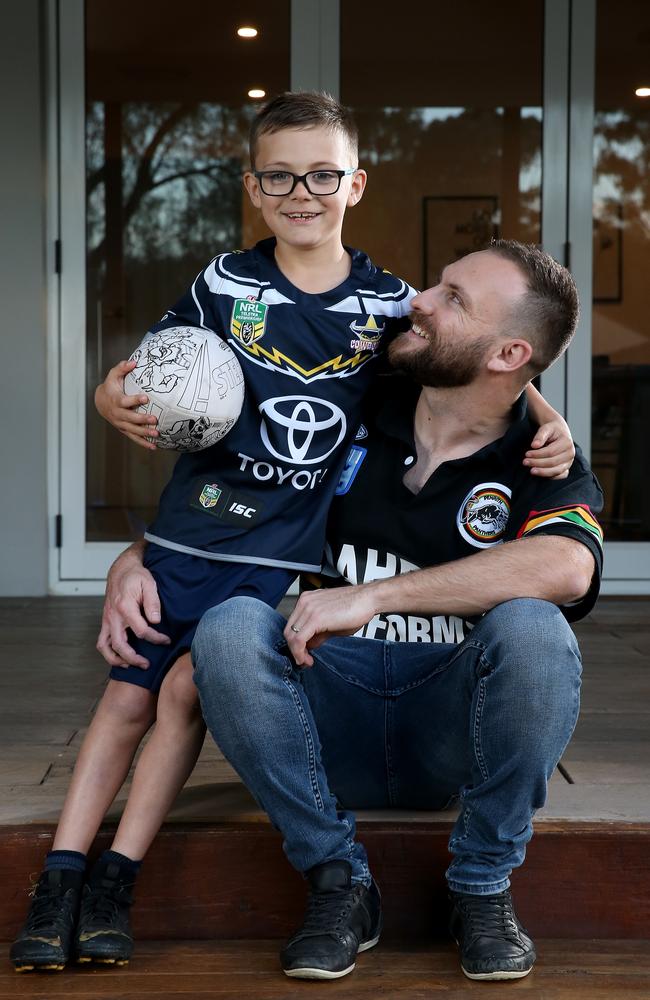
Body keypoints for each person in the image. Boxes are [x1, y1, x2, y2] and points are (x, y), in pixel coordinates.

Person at [10, 90, 573, 975]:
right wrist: (125, 506)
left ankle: (475, 889)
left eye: (321, 174)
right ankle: (112, 878)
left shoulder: (449, 367)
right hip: (262, 617)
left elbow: (507, 392)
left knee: (527, 630)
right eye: (280, 175)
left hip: (360, 645)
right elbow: (181, 407)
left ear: (354, 184)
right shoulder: (288, 329)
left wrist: (548, 414)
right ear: (253, 186)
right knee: (176, 668)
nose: (301, 191)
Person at [96, 242, 600, 984]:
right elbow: (232, 483)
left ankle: (482, 886)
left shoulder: (541, 456)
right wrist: (139, 556)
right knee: (230, 627)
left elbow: (567, 567)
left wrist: (374, 595)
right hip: (322, 716)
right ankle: (339, 882)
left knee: (535, 629)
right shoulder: (355, 402)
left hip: (448, 736)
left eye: (453, 298)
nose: (418, 299)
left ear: (510, 353)